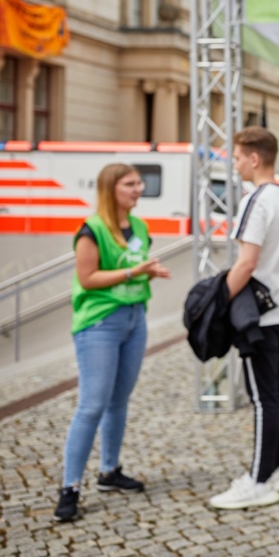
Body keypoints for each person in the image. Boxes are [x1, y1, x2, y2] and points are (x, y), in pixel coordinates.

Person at [54, 164, 171, 522]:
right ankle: (69, 487)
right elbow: (87, 278)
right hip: (99, 324)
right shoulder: (92, 230)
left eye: (139, 183)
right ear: (111, 189)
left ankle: (109, 471)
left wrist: (145, 273)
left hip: (134, 319)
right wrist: (137, 271)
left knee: (119, 401)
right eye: (131, 184)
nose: (139, 189)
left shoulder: (139, 226)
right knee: (92, 405)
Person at [208, 127, 279, 510]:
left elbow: (246, 262)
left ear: (254, 158)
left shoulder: (257, 199)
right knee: (275, 392)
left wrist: (216, 302)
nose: (235, 163)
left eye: (237, 156)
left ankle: (259, 479)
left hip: (259, 315)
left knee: (264, 398)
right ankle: (275, 470)